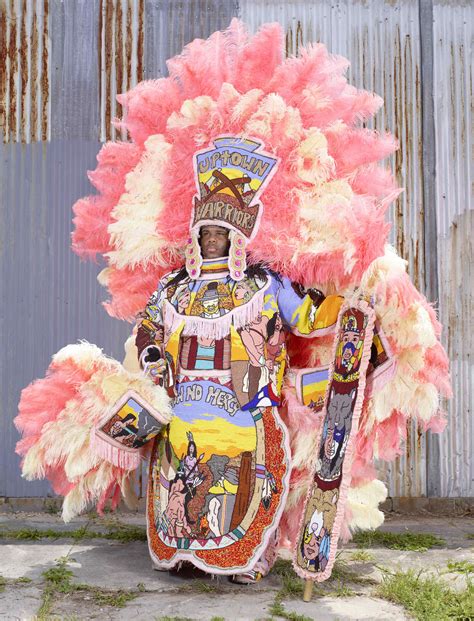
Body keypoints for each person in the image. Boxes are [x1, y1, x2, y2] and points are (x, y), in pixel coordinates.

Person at [134, 140, 343, 582]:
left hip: (246, 400)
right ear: (195, 235)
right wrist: (152, 350)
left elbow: (307, 317)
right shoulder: (173, 286)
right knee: (184, 479)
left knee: (252, 477)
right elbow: (148, 325)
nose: (212, 240)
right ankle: (188, 554)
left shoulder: (264, 282)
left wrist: (350, 298)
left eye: (220, 234)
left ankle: (253, 558)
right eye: (206, 233)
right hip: (183, 402)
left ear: (236, 236)